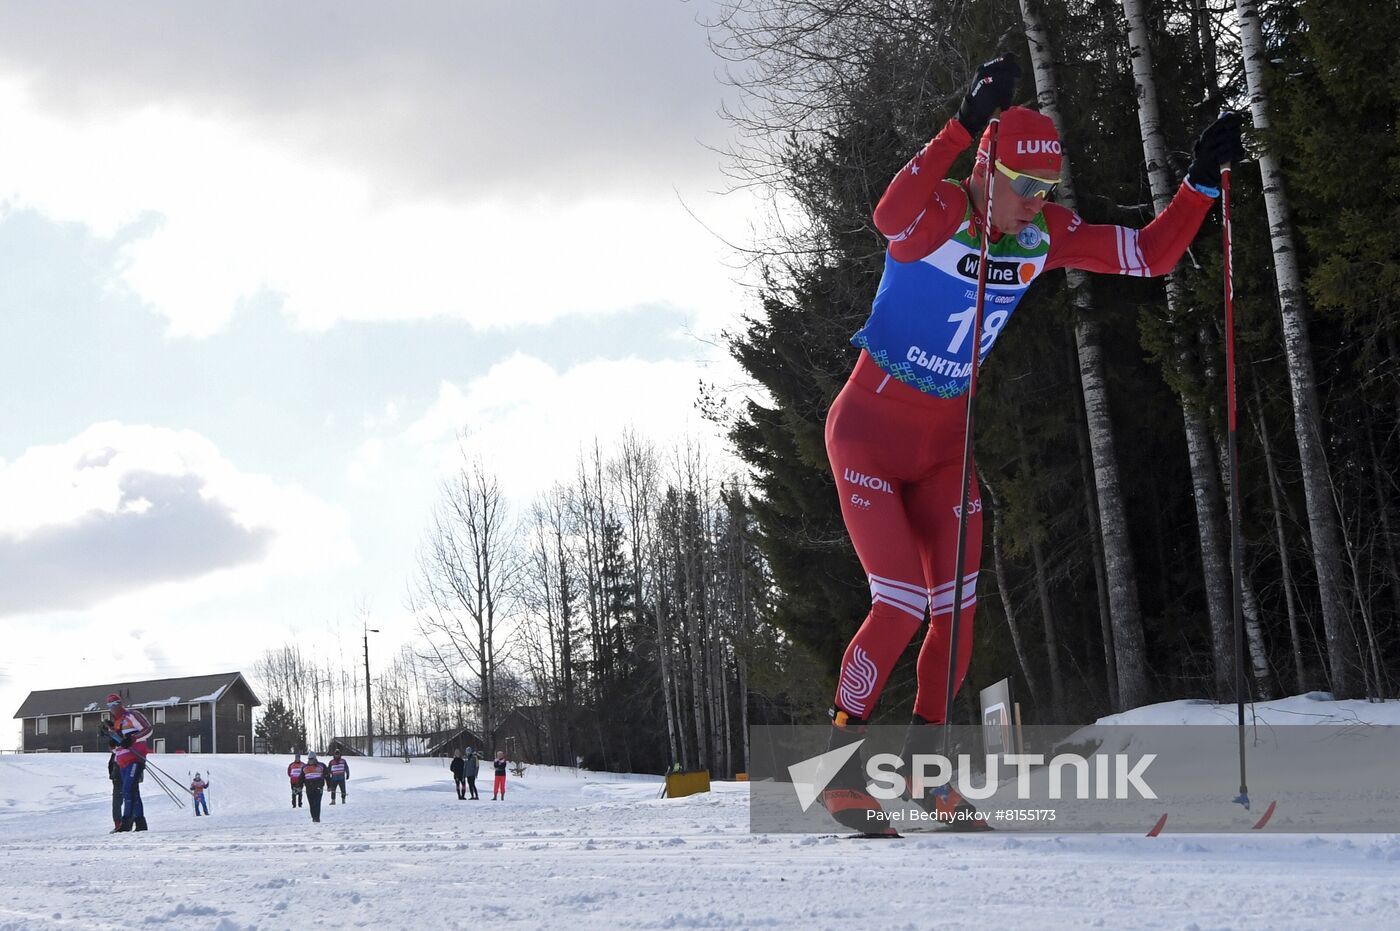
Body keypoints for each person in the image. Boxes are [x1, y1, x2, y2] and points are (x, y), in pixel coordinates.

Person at [820, 54, 1243, 833]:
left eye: (1048, 191)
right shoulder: (941, 212)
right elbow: (887, 216)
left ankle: (923, 775)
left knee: (958, 615)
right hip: (870, 438)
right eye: (1025, 186)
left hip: (947, 447)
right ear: (988, 168)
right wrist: (961, 123)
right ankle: (836, 767)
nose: (1037, 204)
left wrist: (1202, 183)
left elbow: (1149, 255)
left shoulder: (1044, 235)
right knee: (902, 603)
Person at [101, 693, 153, 832]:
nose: (113, 708)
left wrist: (133, 738)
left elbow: (148, 729)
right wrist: (113, 741)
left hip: (135, 758)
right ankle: (140, 823)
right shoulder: (117, 723)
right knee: (132, 791)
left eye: (115, 704)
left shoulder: (132, 715)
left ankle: (126, 822)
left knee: (128, 789)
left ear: (120, 703)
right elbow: (117, 747)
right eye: (110, 706)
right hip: (122, 761)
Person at [298, 751, 328, 823]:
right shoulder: (304, 767)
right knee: (311, 803)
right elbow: (301, 778)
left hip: (318, 788)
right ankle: (313, 818)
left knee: (317, 803)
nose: (310, 760)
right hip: (309, 788)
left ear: (315, 758)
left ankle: (317, 818)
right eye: (309, 759)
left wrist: (330, 786)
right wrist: (299, 786)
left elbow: (327, 776)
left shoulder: (321, 766)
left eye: (312, 759)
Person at [106, 746, 123, 833]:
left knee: (117, 802)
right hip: (117, 778)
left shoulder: (120, 750)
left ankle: (120, 824)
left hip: (119, 778)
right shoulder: (115, 752)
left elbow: (110, 765)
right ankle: (120, 823)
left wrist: (113, 776)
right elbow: (110, 765)